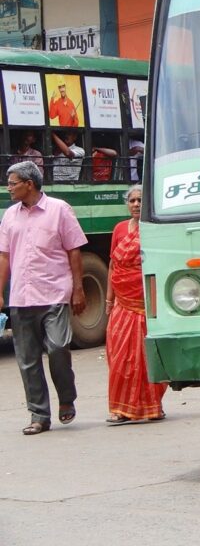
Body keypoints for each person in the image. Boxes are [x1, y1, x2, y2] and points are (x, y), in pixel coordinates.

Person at [0, 161, 87, 435]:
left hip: (54, 292)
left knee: (59, 348)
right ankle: (39, 415)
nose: (9, 188)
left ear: (29, 183)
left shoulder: (59, 209)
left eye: (13, 183)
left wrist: (79, 289)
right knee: (27, 360)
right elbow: (4, 256)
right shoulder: (9, 215)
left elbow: (74, 250)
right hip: (21, 296)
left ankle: (66, 397)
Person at [106, 185, 167, 424]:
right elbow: (113, 265)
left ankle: (153, 407)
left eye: (140, 200)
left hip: (144, 304)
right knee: (119, 357)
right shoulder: (120, 229)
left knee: (145, 357)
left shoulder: (154, 228)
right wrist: (109, 300)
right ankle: (121, 409)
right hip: (122, 304)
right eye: (132, 200)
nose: (136, 204)